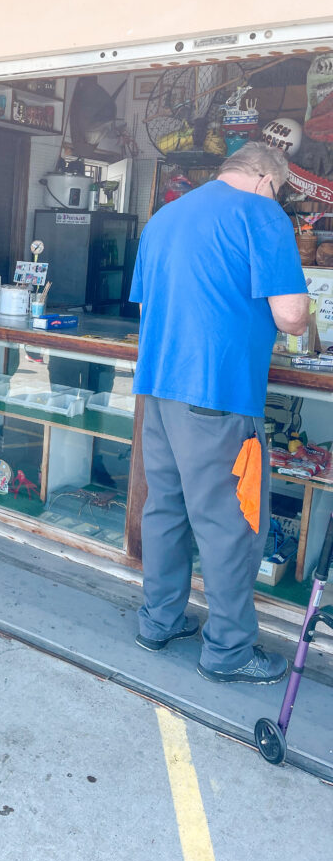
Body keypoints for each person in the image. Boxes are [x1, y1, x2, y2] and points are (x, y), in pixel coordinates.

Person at [130, 141, 309, 684]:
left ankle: (159, 621)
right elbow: (293, 316)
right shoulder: (262, 213)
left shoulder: (165, 216)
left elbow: (144, 304)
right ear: (265, 178)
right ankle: (229, 650)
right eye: (277, 190)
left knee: (164, 509)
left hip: (158, 387)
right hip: (218, 391)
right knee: (232, 524)